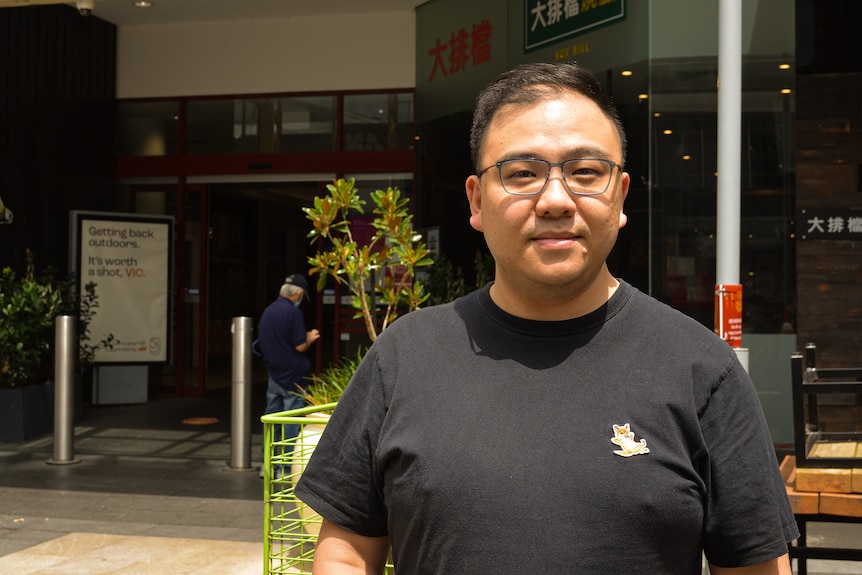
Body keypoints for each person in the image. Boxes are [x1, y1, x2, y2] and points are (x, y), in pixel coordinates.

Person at [295, 62, 798, 574]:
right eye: (522, 174)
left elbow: (755, 567)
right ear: (476, 200)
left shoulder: (700, 369)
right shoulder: (404, 356)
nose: (556, 199)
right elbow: (347, 551)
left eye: (585, 172)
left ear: (621, 195)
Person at [257, 273, 321, 461]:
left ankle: (266, 463)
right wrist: (309, 339)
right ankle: (285, 466)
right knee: (291, 425)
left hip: (274, 374)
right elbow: (299, 346)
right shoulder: (293, 313)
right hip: (293, 377)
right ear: (299, 292)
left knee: (271, 421)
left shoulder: (269, 311)